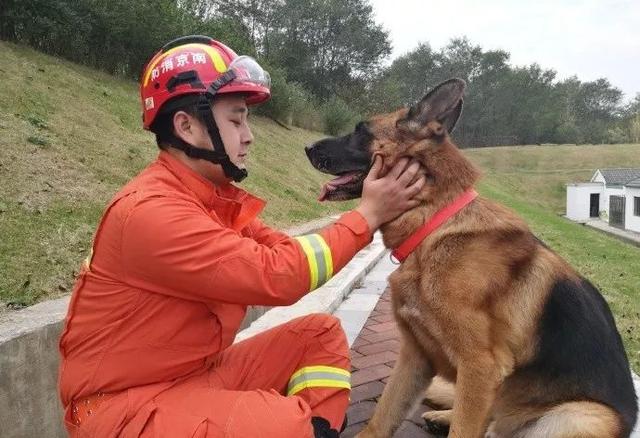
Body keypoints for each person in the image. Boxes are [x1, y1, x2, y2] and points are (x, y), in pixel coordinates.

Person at [58, 35, 425, 437]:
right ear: (187, 126)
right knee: (285, 425)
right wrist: (368, 215)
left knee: (318, 334)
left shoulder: (211, 199)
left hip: (190, 377)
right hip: (121, 409)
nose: (248, 135)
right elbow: (280, 274)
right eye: (236, 119)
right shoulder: (152, 211)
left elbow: (287, 254)